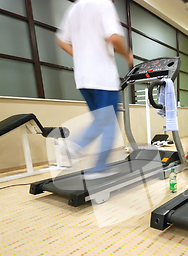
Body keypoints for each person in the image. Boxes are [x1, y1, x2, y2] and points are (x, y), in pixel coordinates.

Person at [56, 0, 134, 179]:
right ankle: (76, 146)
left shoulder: (74, 8)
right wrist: (127, 54)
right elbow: (114, 37)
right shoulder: (103, 4)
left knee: (102, 122)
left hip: (83, 78)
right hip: (102, 77)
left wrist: (83, 57)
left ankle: (93, 162)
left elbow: (61, 40)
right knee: (108, 124)